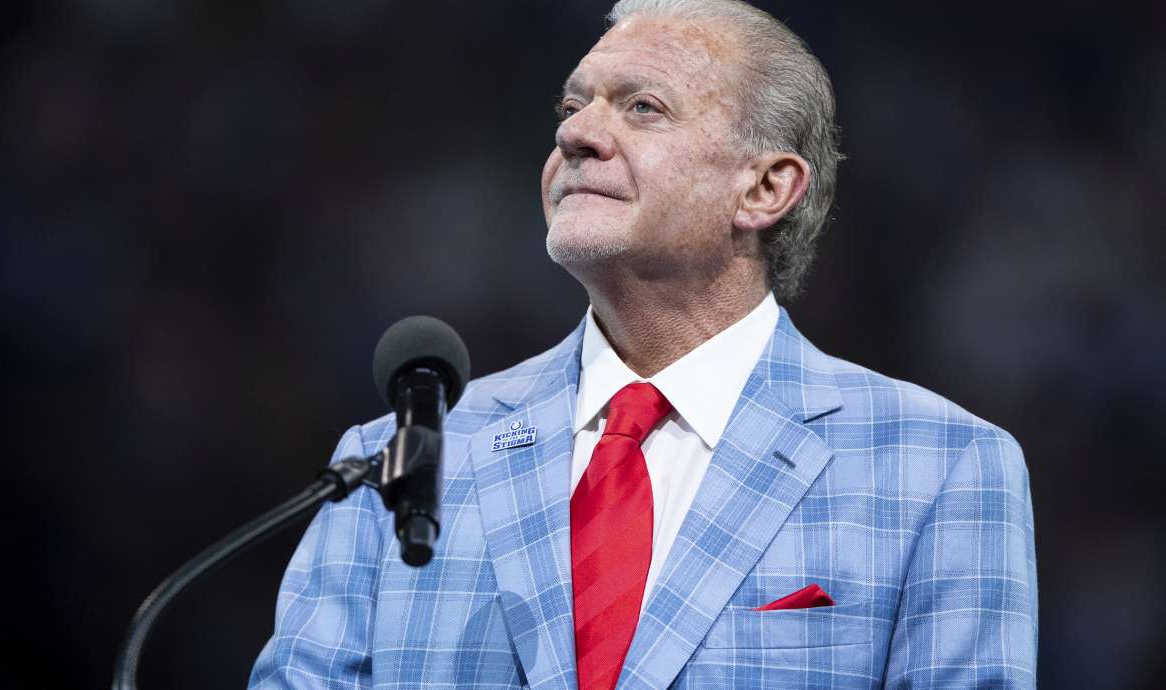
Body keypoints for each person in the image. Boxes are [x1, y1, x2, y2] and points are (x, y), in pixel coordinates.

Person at [250, 1, 1038, 688]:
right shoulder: (397, 463)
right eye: (572, 106)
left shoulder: (940, 467)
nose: (576, 134)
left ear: (765, 188)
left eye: (642, 108)